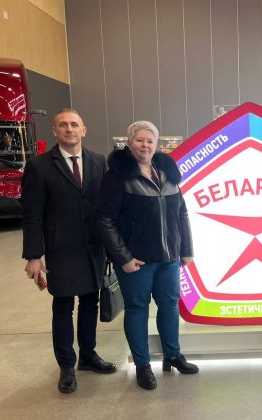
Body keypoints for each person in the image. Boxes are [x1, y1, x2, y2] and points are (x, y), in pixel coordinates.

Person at [21, 108, 116, 394]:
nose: (69, 129)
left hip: (93, 248)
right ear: (55, 131)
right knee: (63, 307)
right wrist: (34, 256)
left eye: (75, 124)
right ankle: (66, 365)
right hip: (60, 249)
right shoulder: (39, 166)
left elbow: (107, 205)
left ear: (83, 130)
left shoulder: (98, 161)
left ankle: (88, 355)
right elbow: (32, 214)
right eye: (63, 125)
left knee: (90, 303)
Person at [97, 120, 198, 391]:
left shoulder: (167, 172)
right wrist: (123, 257)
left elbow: (182, 212)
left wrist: (186, 249)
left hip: (169, 259)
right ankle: (142, 365)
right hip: (137, 262)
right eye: (140, 140)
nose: (145, 145)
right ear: (129, 143)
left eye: (150, 141)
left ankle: (173, 355)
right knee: (137, 309)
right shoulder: (118, 176)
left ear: (157, 144)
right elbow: (105, 219)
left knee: (170, 306)